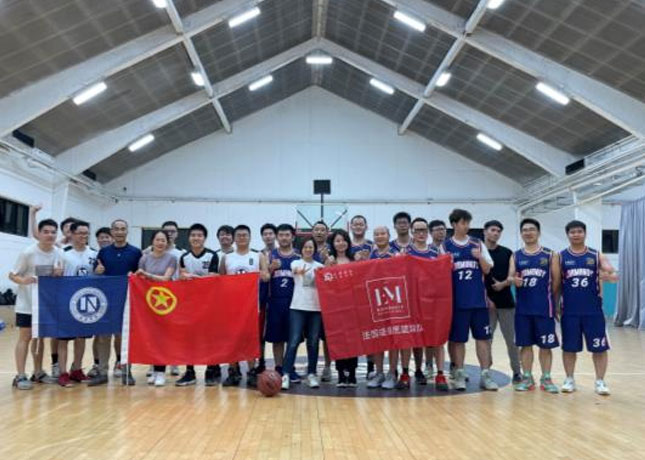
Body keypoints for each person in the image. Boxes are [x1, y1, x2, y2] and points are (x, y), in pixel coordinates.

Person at [559, 220, 618, 395]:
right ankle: (569, 379)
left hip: (593, 311)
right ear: (567, 235)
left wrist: (609, 275)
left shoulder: (596, 255)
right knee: (569, 348)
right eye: (572, 232)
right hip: (569, 310)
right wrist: (555, 305)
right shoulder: (561, 256)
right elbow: (556, 283)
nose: (576, 235)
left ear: (585, 233)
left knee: (600, 348)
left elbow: (612, 274)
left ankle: (600, 381)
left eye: (579, 231)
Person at [443, 209, 498, 391]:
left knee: (483, 339)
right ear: (454, 224)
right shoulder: (445, 246)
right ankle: (459, 373)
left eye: (468, 222)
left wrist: (480, 257)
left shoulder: (477, 243)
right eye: (463, 222)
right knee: (458, 340)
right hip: (457, 303)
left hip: (478, 301)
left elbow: (487, 269)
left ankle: (485, 375)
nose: (466, 226)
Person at [10, 218, 63, 390]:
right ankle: (20, 375)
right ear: (38, 233)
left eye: (53, 232)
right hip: (27, 304)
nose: (50, 235)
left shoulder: (58, 253)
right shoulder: (28, 253)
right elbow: (12, 275)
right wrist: (24, 280)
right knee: (25, 337)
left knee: (39, 338)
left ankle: (38, 372)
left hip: (45, 304)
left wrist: (58, 274)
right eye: (46, 232)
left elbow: (57, 275)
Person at [509, 218, 560, 393]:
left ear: (538, 232)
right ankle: (527, 378)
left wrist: (553, 302)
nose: (528, 232)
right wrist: (513, 280)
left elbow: (556, 282)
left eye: (531, 229)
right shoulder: (516, 255)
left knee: (546, 345)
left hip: (544, 308)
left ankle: (546, 378)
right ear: (521, 234)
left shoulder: (550, 255)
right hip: (523, 309)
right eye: (525, 230)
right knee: (525, 345)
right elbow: (510, 276)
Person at [89, 219, 142, 386]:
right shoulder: (103, 252)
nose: (119, 232)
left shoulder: (136, 252)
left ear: (127, 231)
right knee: (103, 337)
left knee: (124, 337)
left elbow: (141, 275)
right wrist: (97, 271)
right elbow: (96, 274)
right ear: (112, 232)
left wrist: (135, 276)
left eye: (122, 229)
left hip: (127, 302)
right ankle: (102, 372)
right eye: (116, 229)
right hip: (106, 301)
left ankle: (126, 371)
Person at [219, 225, 270, 387]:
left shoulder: (258, 255)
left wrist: (264, 275)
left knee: (250, 339)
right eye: (239, 235)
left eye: (245, 235)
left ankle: (252, 371)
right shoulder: (226, 257)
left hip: (251, 305)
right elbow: (220, 280)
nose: (242, 237)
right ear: (234, 238)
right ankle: (233, 371)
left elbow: (266, 276)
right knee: (232, 339)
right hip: (231, 305)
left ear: (250, 237)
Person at [175, 223, 221, 386]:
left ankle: (212, 369)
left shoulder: (212, 255)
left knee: (210, 337)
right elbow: (182, 276)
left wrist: (193, 277)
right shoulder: (184, 257)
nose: (196, 238)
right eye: (193, 235)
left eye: (199, 235)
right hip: (190, 304)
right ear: (189, 238)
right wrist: (183, 277)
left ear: (204, 238)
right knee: (189, 338)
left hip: (209, 304)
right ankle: (190, 371)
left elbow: (214, 277)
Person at [396, 218, 439, 389]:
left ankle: (420, 369)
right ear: (412, 232)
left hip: (429, 302)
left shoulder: (436, 252)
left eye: (424, 230)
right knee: (408, 338)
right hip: (409, 301)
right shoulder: (405, 252)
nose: (421, 233)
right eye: (417, 230)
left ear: (428, 232)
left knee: (422, 339)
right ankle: (405, 371)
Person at [136, 230, 178, 387]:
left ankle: (161, 372)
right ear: (152, 241)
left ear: (167, 243)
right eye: (158, 240)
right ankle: (153, 369)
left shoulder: (171, 258)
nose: (160, 243)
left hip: (165, 303)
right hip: (148, 302)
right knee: (150, 336)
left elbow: (166, 278)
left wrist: (147, 275)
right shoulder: (144, 258)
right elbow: (139, 278)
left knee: (162, 338)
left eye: (163, 240)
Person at [57, 220, 97, 387]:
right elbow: (54, 274)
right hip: (66, 301)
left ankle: (77, 369)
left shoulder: (94, 253)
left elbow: (97, 276)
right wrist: (56, 273)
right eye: (80, 233)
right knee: (64, 339)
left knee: (81, 338)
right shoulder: (62, 252)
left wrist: (99, 272)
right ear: (71, 234)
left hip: (86, 302)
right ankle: (62, 373)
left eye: (86, 233)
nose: (83, 236)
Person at [281, 238, 324, 390]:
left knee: (313, 342)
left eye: (311, 247)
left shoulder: (320, 266)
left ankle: (311, 374)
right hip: (298, 307)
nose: (308, 249)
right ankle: (285, 374)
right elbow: (295, 270)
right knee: (293, 342)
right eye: (305, 247)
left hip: (316, 308)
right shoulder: (296, 263)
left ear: (314, 249)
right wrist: (299, 272)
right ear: (301, 249)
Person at [483, 220, 522, 384]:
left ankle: (517, 372)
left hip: (506, 303)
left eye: (498, 231)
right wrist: (486, 297)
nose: (496, 233)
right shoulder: (479, 252)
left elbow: (512, 275)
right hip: (486, 305)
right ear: (485, 231)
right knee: (486, 340)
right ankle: (486, 372)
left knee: (512, 340)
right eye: (493, 230)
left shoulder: (507, 252)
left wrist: (504, 284)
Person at [365, 226, 400, 390]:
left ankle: (392, 373)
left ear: (388, 235)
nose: (379, 236)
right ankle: (379, 373)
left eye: (382, 234)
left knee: (393, 339)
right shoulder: (371, 254)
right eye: (376, 234)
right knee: (378, 339)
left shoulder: (396, 253)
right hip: (376, 300)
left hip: (394, 300)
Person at [266, 224, 300, 379]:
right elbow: (263, 277)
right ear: (277, 237)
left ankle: (290, 367)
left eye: (287, 235)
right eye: (281, 235)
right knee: (277, 338)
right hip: (275, 302)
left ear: (292, 237)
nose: (284, 238)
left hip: (295, 302)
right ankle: (279, 367)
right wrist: (270, 268)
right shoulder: (269, 255)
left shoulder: (299, 256)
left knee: (293, 338)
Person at [327, 229, 359, 388]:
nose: (341, 243)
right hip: (335, 307)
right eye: (337, 241)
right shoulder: (330, 261)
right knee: (338, 340)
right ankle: (340, 373)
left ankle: (352, 373)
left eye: (343, 240)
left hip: (353, 305)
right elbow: (324, 281)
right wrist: (328, 266)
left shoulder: (354, 260)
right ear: (333, 244)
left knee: (353, 340)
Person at [311, 220, 332, 381]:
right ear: (312, 232)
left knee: (327, 336)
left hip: (328, 299)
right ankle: (311, 368)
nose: (319, 232)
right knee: (312, 337)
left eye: (322, 230)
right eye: (316, 229)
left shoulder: (332, 249)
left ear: (327, 232)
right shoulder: (306, 249)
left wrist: (327, 261)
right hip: (309, 298)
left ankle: (327, 367)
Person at [426, 219, 448, 381]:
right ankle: (428, 365)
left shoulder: (449, 248)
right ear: (431, 232)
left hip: (446, 297)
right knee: (429, 336)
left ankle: (453, 366)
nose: (441, 232)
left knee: (447, 337)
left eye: (443, 229)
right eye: (437, 229)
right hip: (428, 298)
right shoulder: (428, 250)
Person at [258, 223, 278, 372]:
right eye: (265, 234)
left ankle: (282, 364)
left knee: (280, 334)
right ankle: (261, 361)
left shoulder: (282, 252)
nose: (268, 236)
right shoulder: (257, 255)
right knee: (260, 332)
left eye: (271, 233)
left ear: (275, 235)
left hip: (280, 298)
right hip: (263, 298)